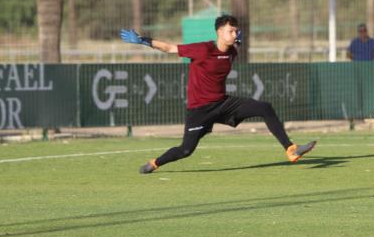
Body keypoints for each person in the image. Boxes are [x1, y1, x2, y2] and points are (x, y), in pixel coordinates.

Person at [119, 14, 317, 174]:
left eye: (236, 30)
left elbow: (233, 47)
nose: (235, 34)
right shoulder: (203, 49)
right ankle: (155, 163)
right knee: (186, 150)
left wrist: (236, 39)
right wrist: (143, 41)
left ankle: (290, 149)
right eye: (231, 30)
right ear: (220, 32)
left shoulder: (232, 52)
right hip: (200, 110)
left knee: (264, 107)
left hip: (222, 103)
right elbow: (170, 48)